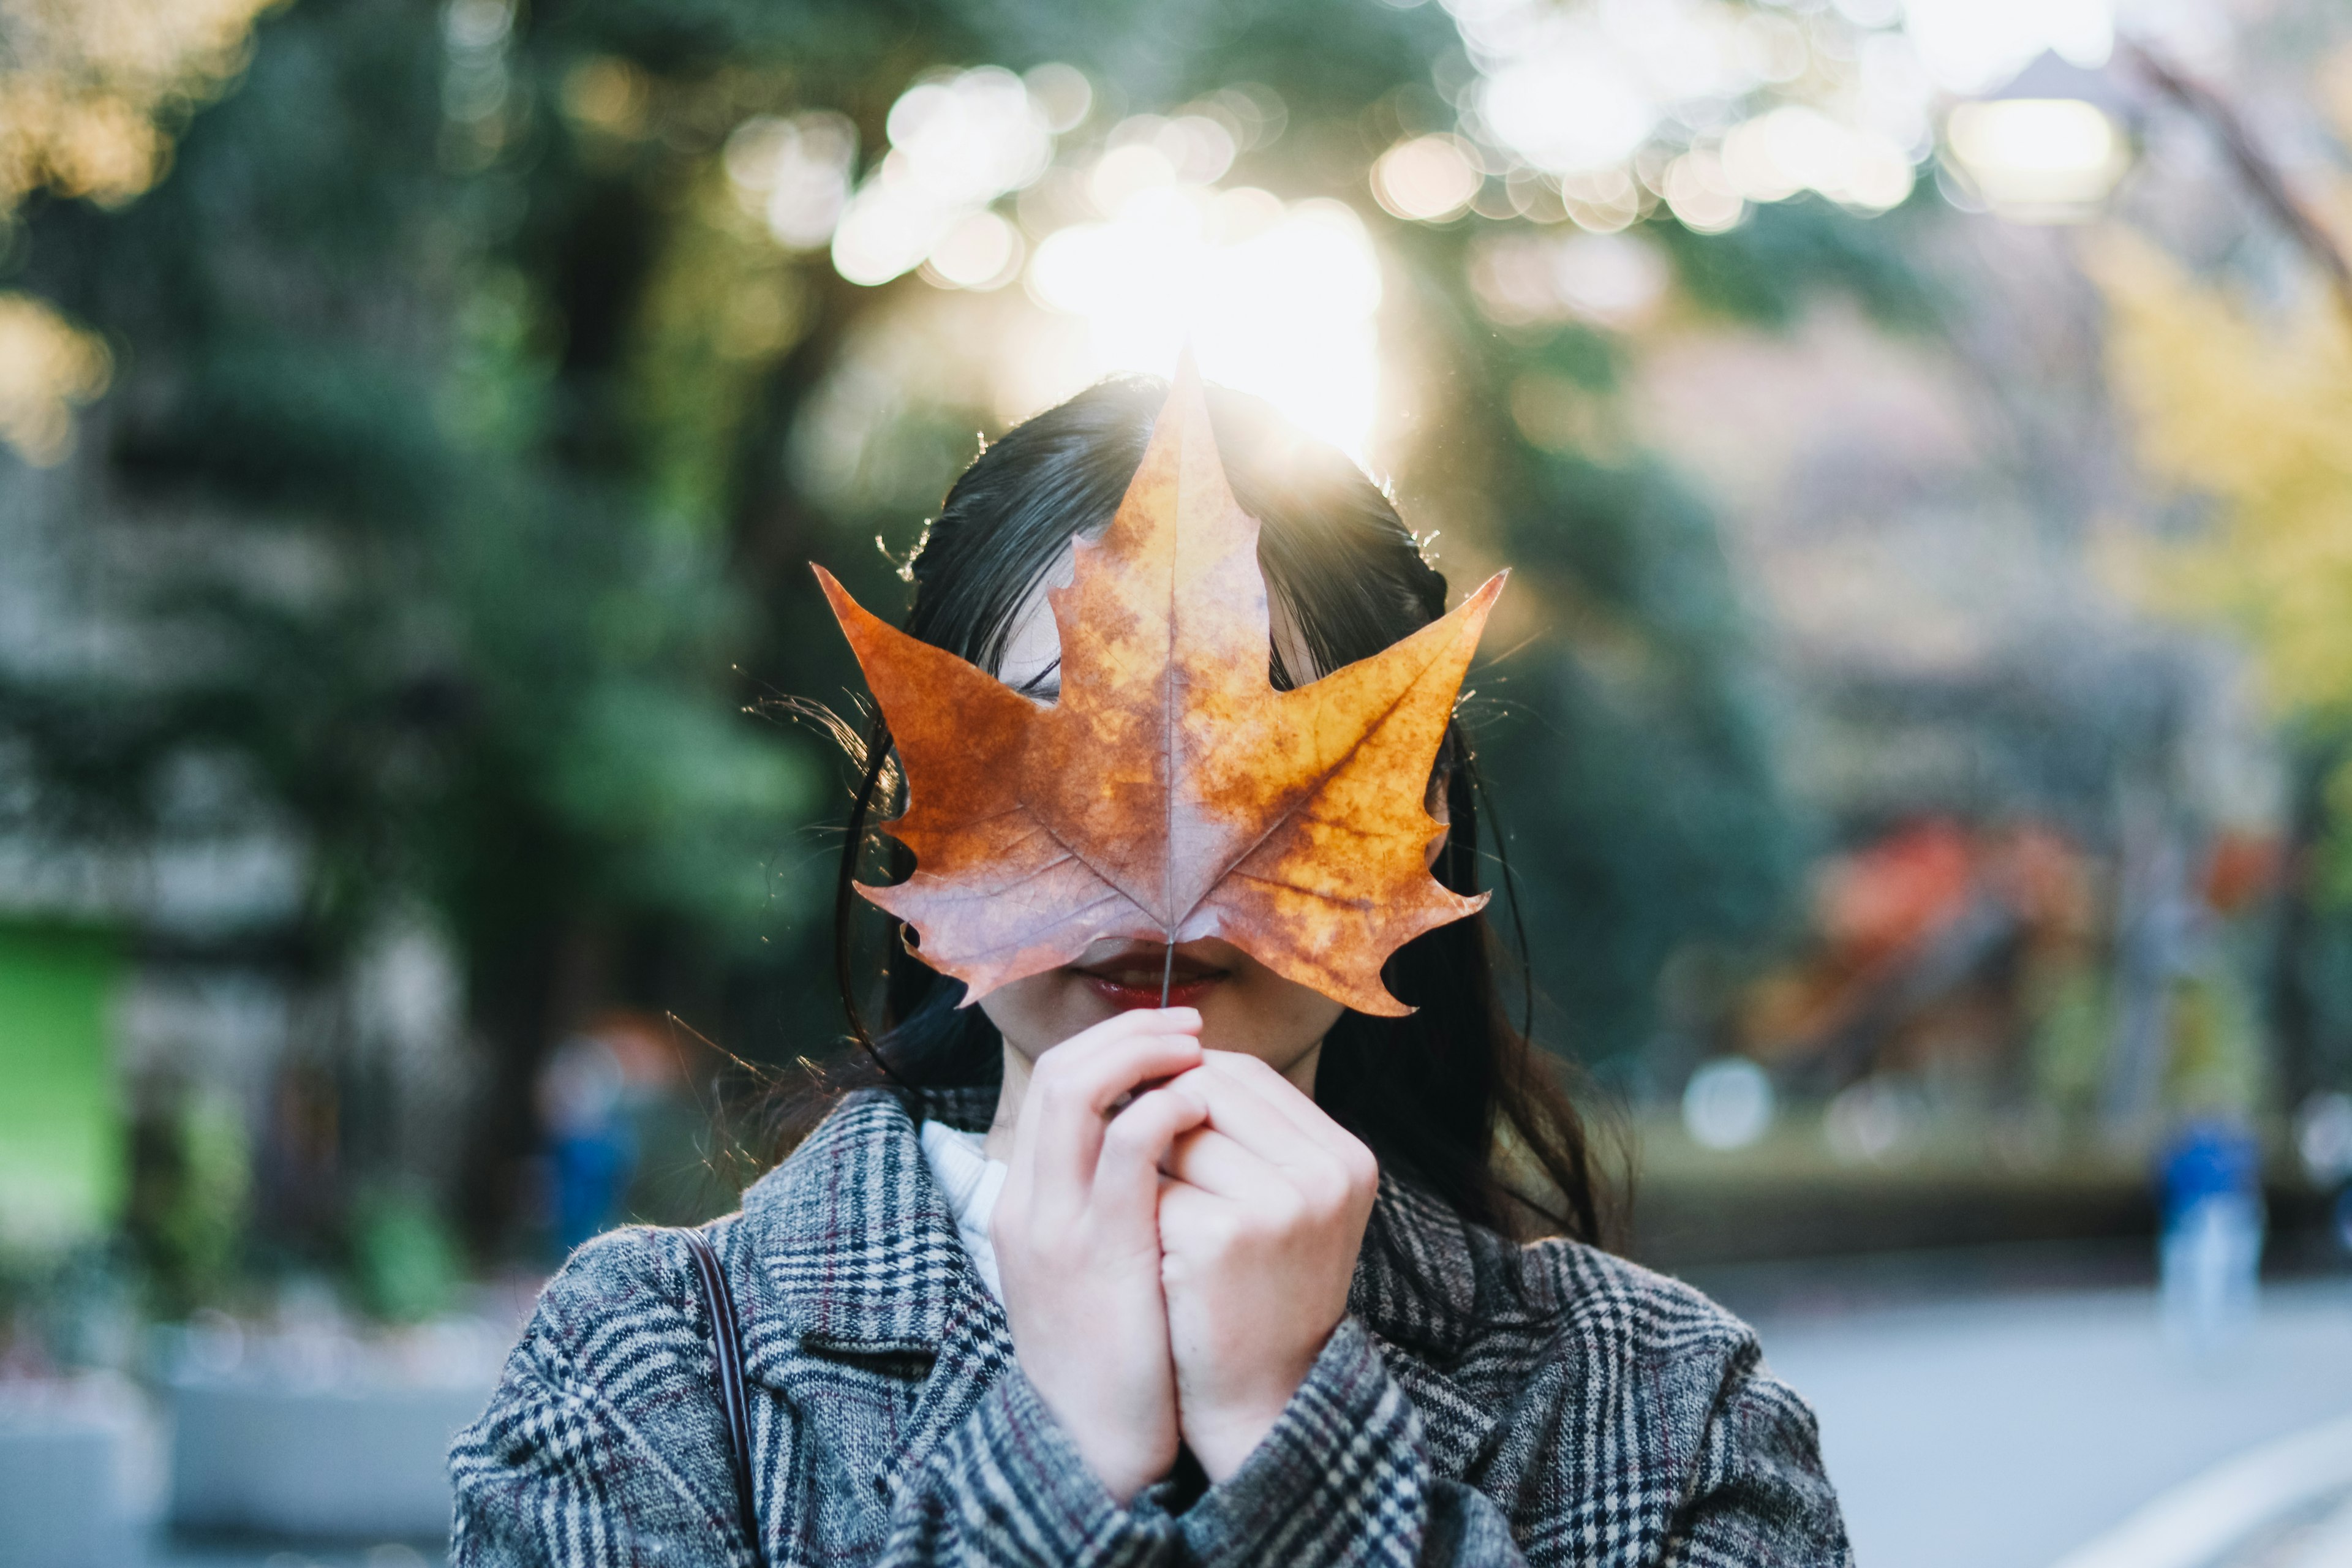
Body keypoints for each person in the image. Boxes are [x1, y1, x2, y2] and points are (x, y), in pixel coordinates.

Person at [448, 377, 1849, 1566]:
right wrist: (1056, 1457)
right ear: (922, 822)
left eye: (1261, 765)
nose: (1170, 833)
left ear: (1401, 821)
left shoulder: (1672, 1409)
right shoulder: (655, 1367)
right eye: (1062, 736)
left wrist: (1298, 1442)